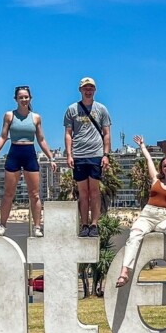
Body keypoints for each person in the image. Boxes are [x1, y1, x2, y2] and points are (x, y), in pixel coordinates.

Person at [116, 136, 166, 288]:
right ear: (162, 168)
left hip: (164, 216)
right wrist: (142, 146)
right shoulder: (156, 179)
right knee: (134, 235)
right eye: (165, 166)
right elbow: (149, 160)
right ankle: (124, 272)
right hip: (147, 215)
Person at [0, 85, 55, 237]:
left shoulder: (36, 117)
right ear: (16, 99)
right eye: (21, 97)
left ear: (30, 98)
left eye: (26, 97)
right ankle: (2, 225)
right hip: (14, 153)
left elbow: (41, 139)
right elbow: (3, 137)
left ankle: (37, 227)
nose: (24, 99)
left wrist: (51, 158)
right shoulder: (9, 116)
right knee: (8, 193)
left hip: (30, 153)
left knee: (35, 194)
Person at [64, 77, 112, 236]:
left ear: (95, 90)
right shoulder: (72, 109)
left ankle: (94, 224)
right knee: (83, 192)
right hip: (79, 155)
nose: (88, 90)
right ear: (80, 90)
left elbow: (107, 134)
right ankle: (84, 224)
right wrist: (69, 154)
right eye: (85, 88)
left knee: (95, 191)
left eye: (91, 87)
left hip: (96, 155)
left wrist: (106, 155)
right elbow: (68, 134)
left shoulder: (101, 109)